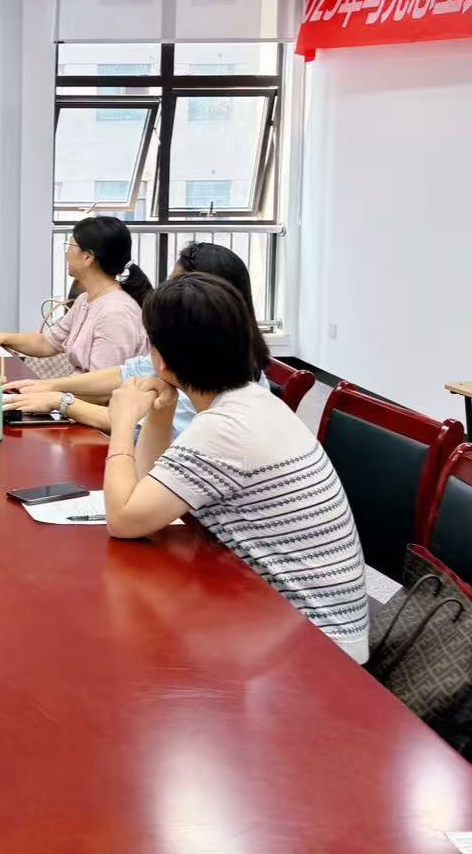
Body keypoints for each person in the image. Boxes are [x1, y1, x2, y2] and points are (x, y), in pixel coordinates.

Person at [77, 273, 370, 662]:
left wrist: (124, 419)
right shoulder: (253, 401)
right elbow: (145, 510)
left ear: (161, 360)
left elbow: (124, 521)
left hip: (316, 650)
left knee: (133, 640)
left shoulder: (223, 429)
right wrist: (160, 415)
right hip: (293, 619)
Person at [5, 241, 267, 434]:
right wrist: (49, 387)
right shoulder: (194, 350)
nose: (170, 291)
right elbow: (127, 372)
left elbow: (140, 428)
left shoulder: (221, 378)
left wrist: (61, 401)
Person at [0, 215, 151, 373]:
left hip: (96, 408)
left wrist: (45, 390)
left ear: (88, 256)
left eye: (70, 245)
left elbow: (103, 388)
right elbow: (46, 343)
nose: (66, 253)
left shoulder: (115, 314)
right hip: (75, 399)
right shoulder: (85, 300)